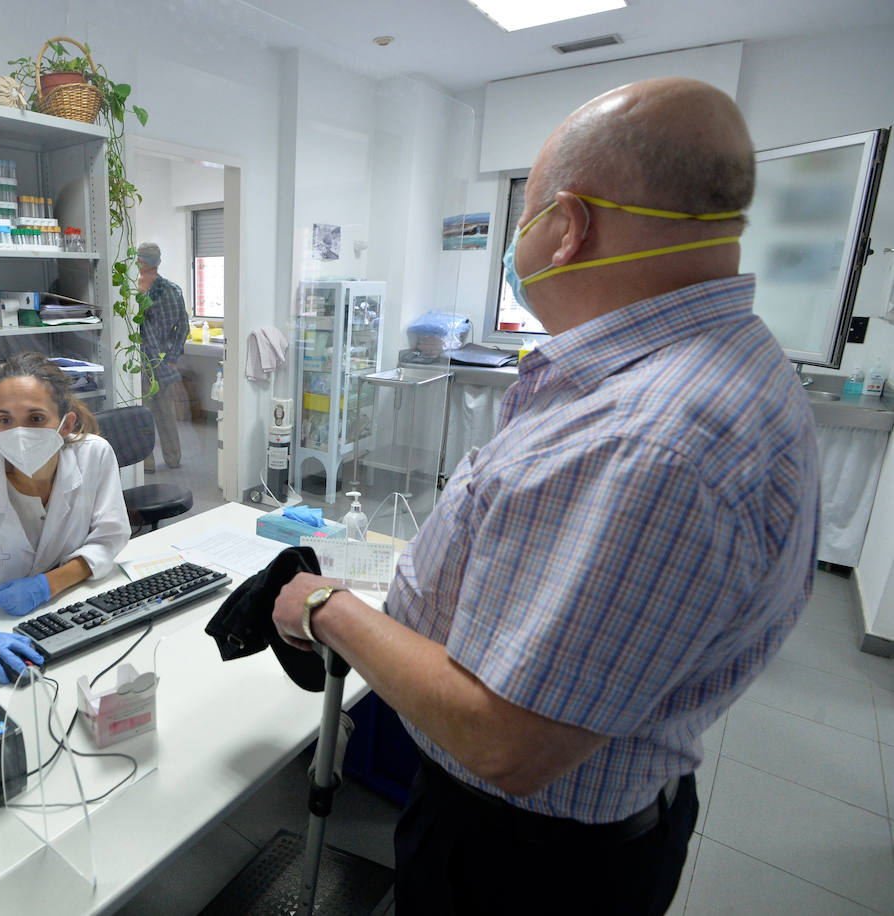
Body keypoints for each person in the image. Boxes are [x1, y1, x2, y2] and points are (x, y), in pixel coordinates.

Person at [272, 78, 819, 914]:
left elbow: (507, 740)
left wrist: (327, 608)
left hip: (519, 865)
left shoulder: (649, 437)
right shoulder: (716, 365)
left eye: (521, 213)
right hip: (583, 833)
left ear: (568, 227)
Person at [0, 352, 130, 684]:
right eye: (5, 419)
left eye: (36, 418)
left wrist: (48, 584)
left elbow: (109, 538)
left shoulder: (94, 456)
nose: (19, 432)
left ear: (66, 425)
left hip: (70, 612)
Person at [134, 241, 188, 472]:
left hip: (141, 361)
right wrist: (173, 358)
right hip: (164, 361)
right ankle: (172, 458)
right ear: (159, 261)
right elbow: (183, 327)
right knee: (166, 413)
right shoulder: (173, 290)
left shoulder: (131, 292)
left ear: (139, 261)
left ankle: (146, 463)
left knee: (143, 415)